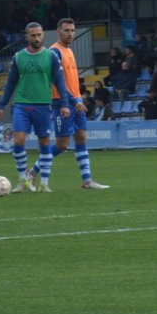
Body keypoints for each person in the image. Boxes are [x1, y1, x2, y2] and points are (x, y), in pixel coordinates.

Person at [0, 22, 82, 193]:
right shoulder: (19, 57)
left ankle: (44, 183)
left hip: (43, 106)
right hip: (22, 105)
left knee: (45, 143)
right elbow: (11, 83)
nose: (36, 38)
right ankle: (22, 180)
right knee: (18, 140)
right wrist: (1, 105)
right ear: (27, 36)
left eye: (39, 35)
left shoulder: (51, 56)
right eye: (33, 35)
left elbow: (60, 83)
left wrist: (64, 104)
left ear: (43, 35)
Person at [48, 18, 109, 190]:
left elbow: (72, 82)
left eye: (72, 30)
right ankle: (33, 172)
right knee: (62, 144)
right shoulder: (54, 52)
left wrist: (79, 98)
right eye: (66, 30)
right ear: (58, 31)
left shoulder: (69, 51)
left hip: (76, 102)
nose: (70, 34)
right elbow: (57, 83)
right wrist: (75, 100)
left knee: (82, 137)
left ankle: (87, 180)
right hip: (62, 103)